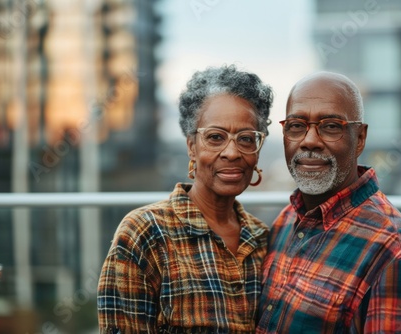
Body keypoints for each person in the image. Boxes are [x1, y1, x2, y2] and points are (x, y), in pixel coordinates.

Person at [256, 72, 401, 333]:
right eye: (296, 125)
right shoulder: (286, 221)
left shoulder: (398, 254)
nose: (309, 140)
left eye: (331, 126)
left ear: (360, 139)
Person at [97, 64, 273, 333]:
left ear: (258, 150)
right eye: (215, 137)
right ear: (192, 146)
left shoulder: (262, 239)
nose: (232, 152)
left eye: (246, 139)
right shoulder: (144, 233)